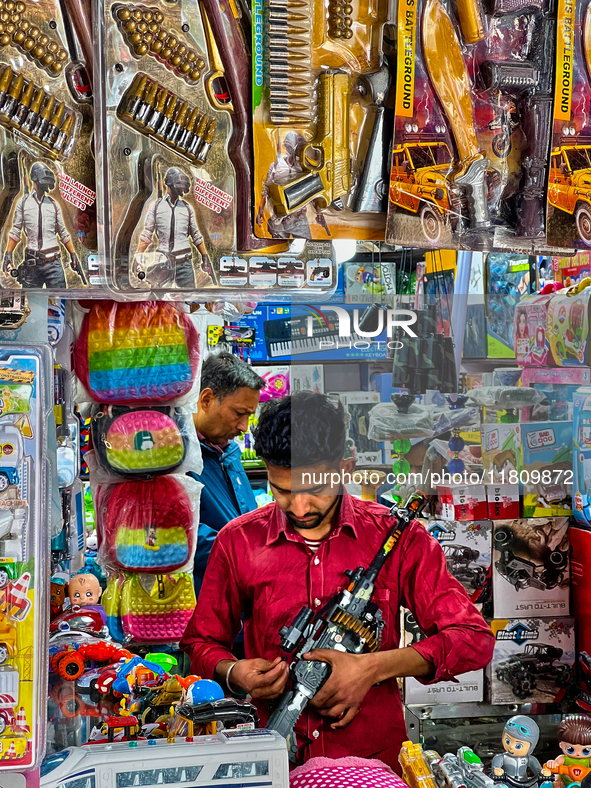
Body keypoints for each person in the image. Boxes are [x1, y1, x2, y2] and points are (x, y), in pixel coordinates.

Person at [181, 392, 494, 769]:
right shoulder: (239, 540)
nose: (299, 508)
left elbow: (473, 640)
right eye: (282, 491)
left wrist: (372, 668)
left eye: (315, 491)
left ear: (344, 468)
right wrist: (234, 672)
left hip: (371, 763)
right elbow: (201, 641)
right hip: (272, 761)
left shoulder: (397, 538)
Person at [188, 353, 264, 596]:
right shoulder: (177, 457)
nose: (243, 427)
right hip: (204, 604)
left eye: (248, 416)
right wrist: (251, 553)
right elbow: (178, 535)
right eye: (238, 413)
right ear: (207, 399)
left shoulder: (227, 451)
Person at [3, 162, 83, 288]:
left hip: (54, 265)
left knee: (59, 298)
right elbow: (15, 231)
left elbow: (63, 233)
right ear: (36, 179)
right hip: (32, 264)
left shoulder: (53, 204)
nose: (47, 185)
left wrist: (73, 254)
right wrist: (8, 254)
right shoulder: (23, 203)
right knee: (31, 302)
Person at [135, 166, 211, 289]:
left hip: (185, 264)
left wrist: (204, 256)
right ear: (170, 183)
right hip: (163, 264)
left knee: (190, 298)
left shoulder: (187, 208)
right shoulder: (156, 206)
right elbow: (147, 234)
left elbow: (196, 236)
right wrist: (137, 257)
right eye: (178, 181)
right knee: (161, 300)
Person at [256, 131, 331, 240]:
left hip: (299, 220)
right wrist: (260, 211)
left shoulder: (304, 167)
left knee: (307, 245)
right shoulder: (276, 166)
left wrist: (319, 212)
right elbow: (266, 191)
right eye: (290, 147)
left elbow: (312, 191)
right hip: (279, 220)